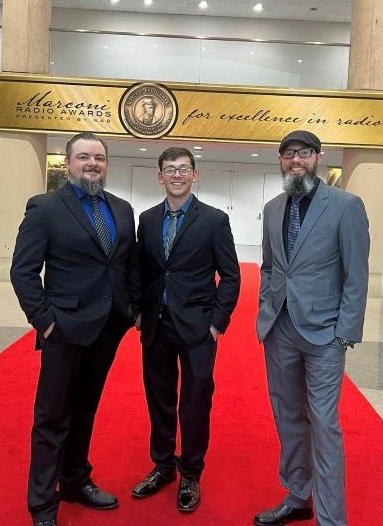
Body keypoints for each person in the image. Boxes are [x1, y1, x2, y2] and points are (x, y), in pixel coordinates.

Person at [10, 132, 140, 526]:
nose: (92, 164)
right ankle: (43, 504)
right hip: (63, 330)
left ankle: (75, 480)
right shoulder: (45, 208)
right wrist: (45, 322)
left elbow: (127, 264)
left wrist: (130, 310)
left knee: (85, 409)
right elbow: (23, 271)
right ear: (67, 163)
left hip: (107, 328)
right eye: (83, 157)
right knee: (52, 417)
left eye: (99, 157)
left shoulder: (122, 209)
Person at [254, 130, 369, 526]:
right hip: (280, 329)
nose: (295, 160)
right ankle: (299, 496)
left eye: (303, 153)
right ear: (280, 160)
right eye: (288, 154)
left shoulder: (345, 206)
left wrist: (345, 332)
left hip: (325, 334)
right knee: (287, 417)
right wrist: (265, 311)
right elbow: (269, 267)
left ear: (318, 157)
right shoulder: (272, 208)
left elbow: (356, 274)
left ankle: (331, 519)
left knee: (324, 423)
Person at [132, 147, 241, 513]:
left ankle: (190, 473)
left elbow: (230, 276)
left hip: (198, 329)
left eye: (183, 169)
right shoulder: (147, 220)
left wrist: (216, 325)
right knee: (159, 400)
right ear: (160, 177)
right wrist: (137, 313)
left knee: (194, 405)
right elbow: (141, 271)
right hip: (156, 326)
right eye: (169, 169)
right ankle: (162, 465)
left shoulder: (213, 220)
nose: (176, 175)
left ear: (195, 175)